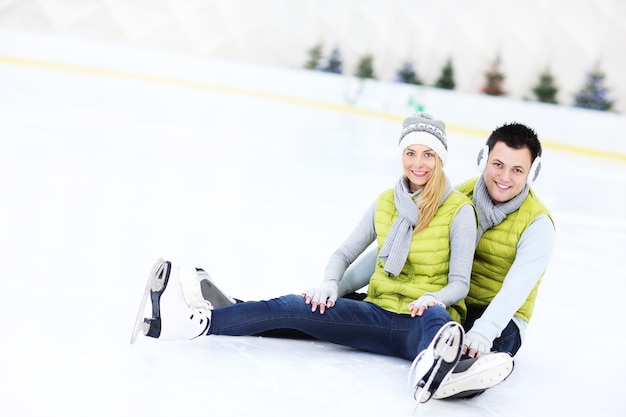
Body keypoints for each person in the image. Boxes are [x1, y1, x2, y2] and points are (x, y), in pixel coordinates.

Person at [132, 113, 479, 407]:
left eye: (428, 155)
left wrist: (433, 298)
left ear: (441, 159)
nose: (418, 164)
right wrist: (330, 285)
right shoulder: (387, 202)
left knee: (439, 321)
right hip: (375, 310)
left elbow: (459, 284)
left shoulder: (459, 211)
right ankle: (196, 322)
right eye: (411, 153)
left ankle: (433, 366)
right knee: (297, 306)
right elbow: (344, 254)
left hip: (419, 320)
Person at [196, 122, 551, 400]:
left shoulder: (537, 224)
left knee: (479, 356)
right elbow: (399, 248)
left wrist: (483, 332)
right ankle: (245, 312)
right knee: (329, 309)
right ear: (484, 159)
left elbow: (516, 289)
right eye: (498, 164)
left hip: (495, 315)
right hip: (435, 299)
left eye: (517, 170)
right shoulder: (459, 196)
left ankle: (455, 378)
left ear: (531, 172)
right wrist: (339, 284)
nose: (504, 177)